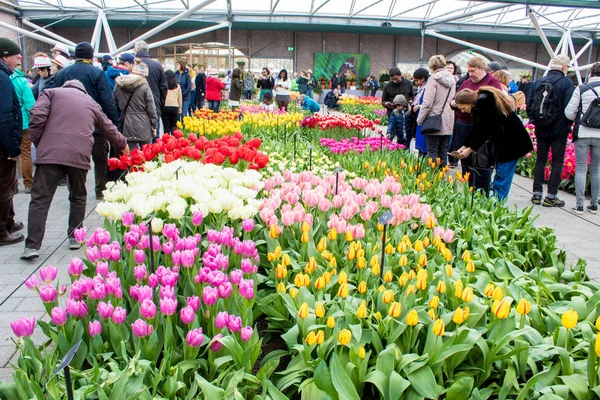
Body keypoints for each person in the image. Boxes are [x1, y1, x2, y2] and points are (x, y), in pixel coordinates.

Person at [21, 80, 129, 260]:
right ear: (83, 90)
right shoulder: (91, 102)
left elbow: (36, 117)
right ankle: (75, 236)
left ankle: (32, 246)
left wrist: (39, 141)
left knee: (40, 199)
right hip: (78, 154)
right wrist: (123, 144)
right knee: (78, 196)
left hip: (50, 154)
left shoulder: (51, 93)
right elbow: (108, 127)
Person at [53, 41, 120, 200]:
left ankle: (75, 193)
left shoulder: (62, 74)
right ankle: (100, 190)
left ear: (75, 56)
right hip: (95, 126)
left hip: (69, 127)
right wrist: (114, 123)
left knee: (73, 163)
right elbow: (106, 100)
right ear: (91, 57)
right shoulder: (97, 73)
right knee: (100, 160)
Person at [454, 87, 533, 200]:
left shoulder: (483, 103)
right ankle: (494, 206)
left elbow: (485, 130)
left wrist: (470, 149)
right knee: (500, 177)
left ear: (469, 102)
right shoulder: (481, 101)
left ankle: (496, 208)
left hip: (512, 144)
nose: (462, 111)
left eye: (463, 108)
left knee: (502, 179)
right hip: (506, 142)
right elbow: (477, 127)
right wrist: (465, 145)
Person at [526, 55, 575, 207]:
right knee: (557, 161)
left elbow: (529, 106)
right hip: (559, 128)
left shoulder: (539, 81)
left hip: (541, 127)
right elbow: (569, 108)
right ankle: (551, 196)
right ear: (564, 67)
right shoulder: (566, 82)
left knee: (540, 159)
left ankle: (536, 193)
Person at [450, 56, 503, 187]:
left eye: (473, 71)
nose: (470, 74)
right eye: (469, 71)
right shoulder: (466, 82)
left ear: (482, 68)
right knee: (465, 161)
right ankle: (469, 186)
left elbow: (496, 105)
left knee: (481, 161)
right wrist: (455, 103)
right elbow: (454, 100)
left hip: (482, 124)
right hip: (464, 124)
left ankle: (480, 186)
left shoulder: (492, 82)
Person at [565, 62, 600, 214]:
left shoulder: (582, 88)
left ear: (591, 73)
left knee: (580, 168)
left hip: (583, 133)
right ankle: (594, 204)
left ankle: (579, 205)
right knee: (596, 169)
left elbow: (569, 112)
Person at [0, 38, 24, 246]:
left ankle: (8, 222)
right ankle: (1, 231)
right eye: (17, 56)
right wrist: (12, 146)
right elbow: (5, 115)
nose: (19, 59)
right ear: (5, 56)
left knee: (7, 185)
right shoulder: (2, 78)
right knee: (4, 187)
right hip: (2, 144)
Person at [416, 55, 456, 167]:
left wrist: (420, 120)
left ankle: (432, 177)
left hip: (434, 119)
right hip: (448, 120)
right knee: (443, 150)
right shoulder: (452, 79)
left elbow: (427, 103)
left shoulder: (433, 79)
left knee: (432, 151)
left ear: (431, 66)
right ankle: (442, 177)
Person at [113, 59, 157, 150]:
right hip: (144, 126)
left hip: (126, 125)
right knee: (146, 157)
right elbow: (151, 108)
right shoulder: (144, 86)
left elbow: (114, 104)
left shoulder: (119, 84)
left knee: (129, 158)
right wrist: (154, 125)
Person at [10, 61, 35, 195]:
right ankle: (28, 184)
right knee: (26, 153)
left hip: (6, 124)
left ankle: (12, 184)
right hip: (23, 123)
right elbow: (30, 104)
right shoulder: (21, 81)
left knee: (9, 154)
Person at [134, 41, 167, 133]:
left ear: (136, 51)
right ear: (147, 51)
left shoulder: (133, 65)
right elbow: (164, 88)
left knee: (137, 137)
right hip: (154, 104)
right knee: (154, 137)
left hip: (135, 107)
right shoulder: (157, 65)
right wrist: (160, 104)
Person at [411, 67, 430, 154]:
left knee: (423, 143)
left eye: (417, 80)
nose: (416, 83)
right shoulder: (422, 88)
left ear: (423, 79)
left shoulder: (428, 88)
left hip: (424, 118)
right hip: (420, 117)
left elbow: (427, 103)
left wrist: (419, 106)